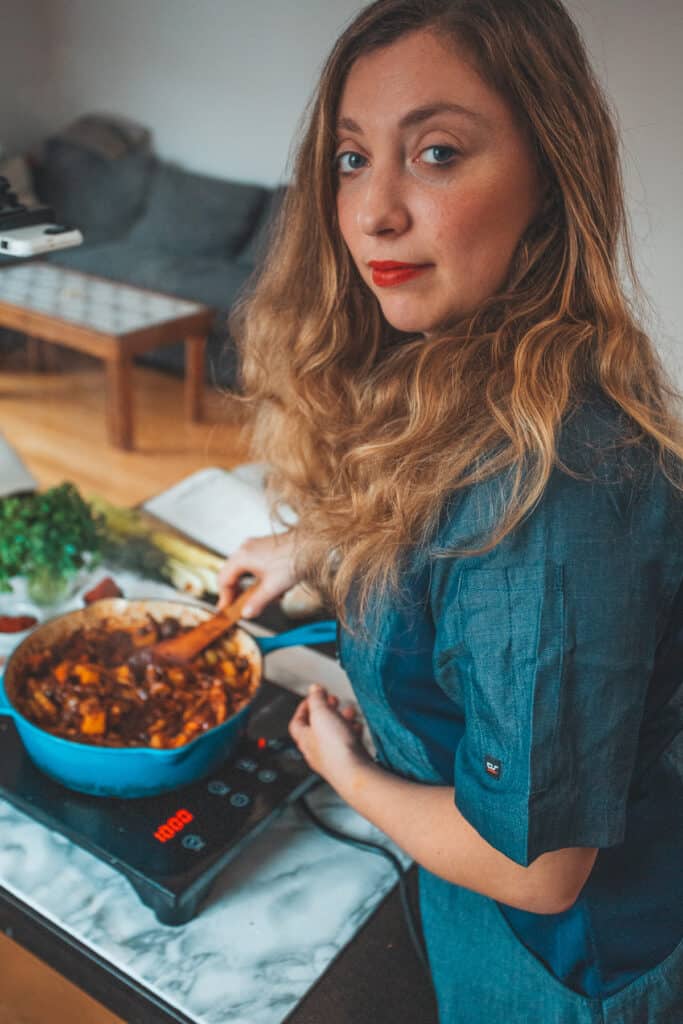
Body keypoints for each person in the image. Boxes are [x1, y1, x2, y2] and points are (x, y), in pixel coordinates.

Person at [218, 1, 683, 1020]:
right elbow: (443, 543)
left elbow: (536, 869)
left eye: (434, 152)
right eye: (350, 159)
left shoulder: (551, 489)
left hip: (562, 963)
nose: (373, 211)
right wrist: (315, 543)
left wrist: (344, 767)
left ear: (548, 179)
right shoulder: (467, 366)